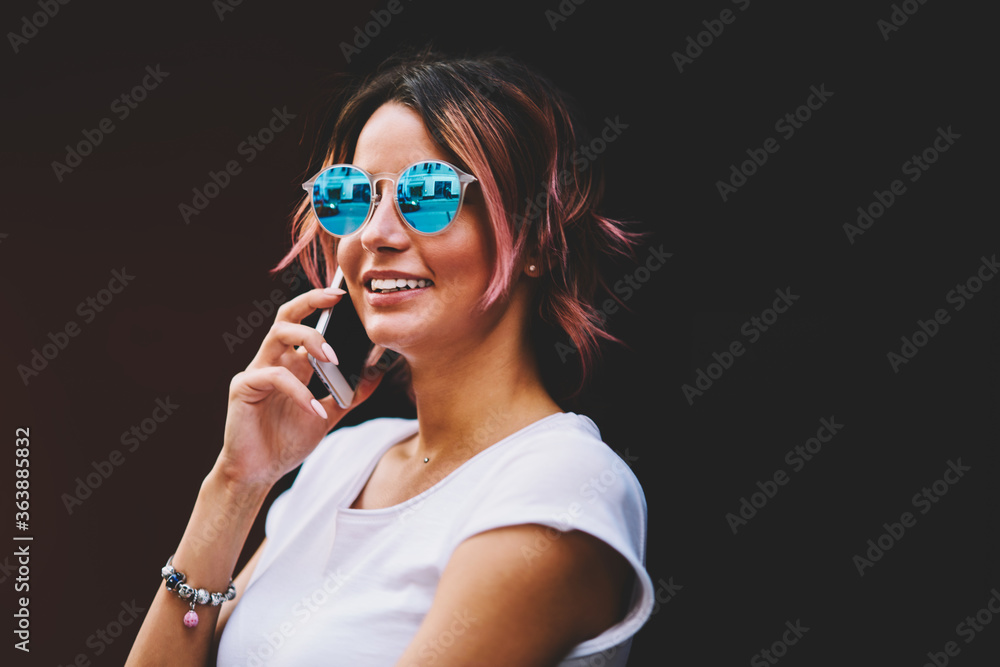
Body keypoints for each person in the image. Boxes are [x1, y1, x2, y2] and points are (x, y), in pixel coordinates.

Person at [127, 48, 654, 666]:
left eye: (428, 194)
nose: (375, 232)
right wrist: (237, 483)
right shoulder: (344, 462)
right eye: (350, 196)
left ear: (535, 235)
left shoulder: (559, 484)